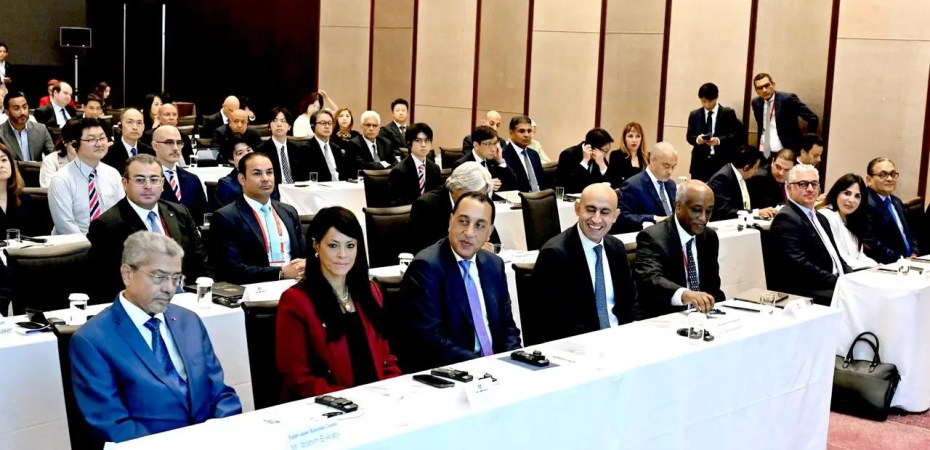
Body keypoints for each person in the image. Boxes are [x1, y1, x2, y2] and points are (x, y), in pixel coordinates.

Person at [69, 231, 241, 444]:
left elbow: (221, 393)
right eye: (159, 277)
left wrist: (221, 433)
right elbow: (112, 424)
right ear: (127, 274)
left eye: (176, 278)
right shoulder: (92, 340)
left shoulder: (189, 321)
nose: (170, 288)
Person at [276, 207, 401, 399]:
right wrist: (355, 400)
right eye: (333, 245)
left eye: (350, 246)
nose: (343, 254)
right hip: (329, 406)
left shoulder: (370, 291)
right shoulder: (295, 301)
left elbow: (386, 359)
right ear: (316, 246)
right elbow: (298, 379)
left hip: (379, 400)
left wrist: (393, 390)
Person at [400, 192, 521, 371]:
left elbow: (508, 327)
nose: (469, 233)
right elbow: (432, 339)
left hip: (496, 369)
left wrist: (514, 363)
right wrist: (486, 367)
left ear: (489, 232)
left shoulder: (494, 265)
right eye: (463, 221)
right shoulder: (426, 267)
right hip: (454, 372)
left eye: (479, 225)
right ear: (450, 222)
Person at [88, 154, 211, 303]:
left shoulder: (180, 212)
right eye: (140, 180)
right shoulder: (107, 225)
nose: (148, 186)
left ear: (162, 183)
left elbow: (200, 262)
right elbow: (108, 283)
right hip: (140, 303)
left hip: (187, 298)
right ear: (125, 183)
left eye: (154, 180)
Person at [534, 183, 641, 342]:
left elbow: (631, 302)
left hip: (621, 338)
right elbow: (556, 321)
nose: (596, 219)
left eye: (605, 212)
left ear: (615, 216)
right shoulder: (555, 254)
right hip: (578, 345)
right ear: (577, 209)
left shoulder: (616, 248)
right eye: (590, 209)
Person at [210, 152, 306, 284]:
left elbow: (303, 253)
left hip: (296, 284)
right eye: (257, 173)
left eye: (269, 172)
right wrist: (280, 273)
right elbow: (231, 269)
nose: (265, 179)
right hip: (254, 288)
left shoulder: (289, 212)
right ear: (242, 179)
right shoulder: (226, 217)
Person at [635, 180, 725, 317]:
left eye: (708, 211)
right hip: (667, 316)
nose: (703, 218)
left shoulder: (709, 237)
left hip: (703, 316)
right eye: (696, 210)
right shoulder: (653, 237)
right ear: (678, 207)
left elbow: (713, 287)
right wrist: (685, 294)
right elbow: (651, 279)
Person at [769, 164, 849, 305]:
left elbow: (835, 256)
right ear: (789, 188)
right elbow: (799, 265)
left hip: (830, 281)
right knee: (854, 299)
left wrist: (851, 277)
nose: (810, 189)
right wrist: (837, 281)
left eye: (814, 184)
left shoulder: (821, 217)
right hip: (804, 288)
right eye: (803, 184)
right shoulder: (786, 219)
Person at [49, 117, 124, 234]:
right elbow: (65, 226)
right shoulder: (61, 179)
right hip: (73, 243)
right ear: (75, 144)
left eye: (102, 138)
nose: (99, 144)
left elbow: (122, 214)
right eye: (91, 139)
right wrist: (94, 244)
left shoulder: (113, 174)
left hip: (110, 241)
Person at [408, 161, 501, 254]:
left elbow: (495, 242)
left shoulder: (480, 203)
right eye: (474, 195)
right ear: (457, 188)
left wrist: (487, 246)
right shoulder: (426, 205)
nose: (478, 200)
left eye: (482, 195)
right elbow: (424, 249)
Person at [861, 157, 918, 263]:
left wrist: (914, 252)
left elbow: (909, 232)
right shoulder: (864, 203)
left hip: (908, 262)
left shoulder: (896, 201)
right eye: (883, 175)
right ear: (869, 180)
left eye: (892, 174)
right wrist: (900, 259)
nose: (890, 179)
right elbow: (870, 241)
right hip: (885, 265)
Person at [751, 73, 819, 159]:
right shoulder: (756, 103)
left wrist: (807, 144)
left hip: (787, 151)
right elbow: (761, 127)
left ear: (773, 84)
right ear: (756, 91)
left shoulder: (788, 99)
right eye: (760, 88)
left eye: (767, 85)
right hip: (764, 152)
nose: (764, 90)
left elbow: (813, 119)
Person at [686, 82, 744, 182]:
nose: (707, 104)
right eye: (703, 101)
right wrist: (697, 140)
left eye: (710, 101)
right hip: (699, 163)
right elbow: (689, 136)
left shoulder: (728, 113)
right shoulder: (694, 114)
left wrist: (719, 140)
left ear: (716, 98)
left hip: (721, 162)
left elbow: (736, 135)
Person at [820, 174, 878, 270]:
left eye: (857, 196)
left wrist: (878, 266)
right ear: (837, 192)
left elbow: (859, 256)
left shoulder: (852, 219)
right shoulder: (826, 215)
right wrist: (871, 267)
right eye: (847, 193)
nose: (851, 200)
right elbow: (839, 257)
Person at [153, 125, 208, 225]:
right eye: (169, 142)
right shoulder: (147, 180)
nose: (175, 148)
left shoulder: (192, 179)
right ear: (155, 146)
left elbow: (203, 216)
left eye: (179, 143)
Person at [618, 142, 678, 232]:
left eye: (673, 167)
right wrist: (654, 218)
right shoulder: (632, 185)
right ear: (652, 160)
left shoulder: (671, 185)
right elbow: (623, 217)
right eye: (666, 166)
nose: (670, 172)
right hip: (649, 235)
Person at [389, 122, 442, 205]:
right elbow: (396, 203)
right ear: (409, 143)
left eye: (427, 140)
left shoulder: (435, 169)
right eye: (418, 140)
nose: (423, 145)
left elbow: (438, 197)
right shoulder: (399, 171)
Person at [452, 125, 517, 192]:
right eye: (488, 144)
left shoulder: (493, 161)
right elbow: (459, 192)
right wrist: (486, 185)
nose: (493, 149)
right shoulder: (462, 165)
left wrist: (500, 161)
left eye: (495, 143)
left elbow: (513, 184)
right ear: (476, 145)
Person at [706, 145, 762, 220]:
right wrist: (755, 212)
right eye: (755, 168)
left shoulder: (740, 174)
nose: (756, 172)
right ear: (746, 168)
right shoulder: (722, 178)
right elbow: (725, 211)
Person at [256, 107, 309, 185]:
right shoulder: (261, 151)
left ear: (289, 126)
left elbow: (304, 177)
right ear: (270, 126)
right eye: (275, 120)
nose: (279, 124)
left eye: (283, 121)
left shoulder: (297, 150)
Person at [555, 128, 613, 194]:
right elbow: (566, 185)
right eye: (605, 151)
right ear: (593, 148)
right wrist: (584, 162)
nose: (605, 155)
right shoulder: (568, 155)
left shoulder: (600, 158)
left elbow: (610, 185)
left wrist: (602, 165)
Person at [0, 91, 54, 161]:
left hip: (37, 168)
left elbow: (53, 157)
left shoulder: (41, 129)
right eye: (16, 109)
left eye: (25, 107)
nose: (22, 112)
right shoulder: (1, 133)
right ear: (7, 112)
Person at [103, 108, 154, 175]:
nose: (135, 127)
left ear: (143, 127)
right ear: (120, 125)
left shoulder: (149, 152)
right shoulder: (108, 153)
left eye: (139, 123)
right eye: (130, 122)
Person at [746, 148, 794, 217]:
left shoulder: (793, 178)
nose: (781, 173)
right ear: (772, 162)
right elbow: (769, 204)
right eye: (778, 167)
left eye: (787, 170)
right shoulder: (760, 177)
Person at [307, 109, 352, 182]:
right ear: (313, 125)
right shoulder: (306, 149)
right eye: (323, 123)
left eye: (330, 123)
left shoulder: (336, 149)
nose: (327, 126)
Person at [502, 115, 544, 192]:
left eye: (529, 131)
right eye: (522, 131)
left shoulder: (534, 154)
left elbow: (542, 183)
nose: (526, 135)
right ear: (511, 133)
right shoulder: (503, 156)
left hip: (540, 197)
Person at [40, 118, 80, 187]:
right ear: (64, 141)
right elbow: (49, 190)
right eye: (75, 143)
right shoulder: (50, 161)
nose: (80, 146)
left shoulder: (93, 160)